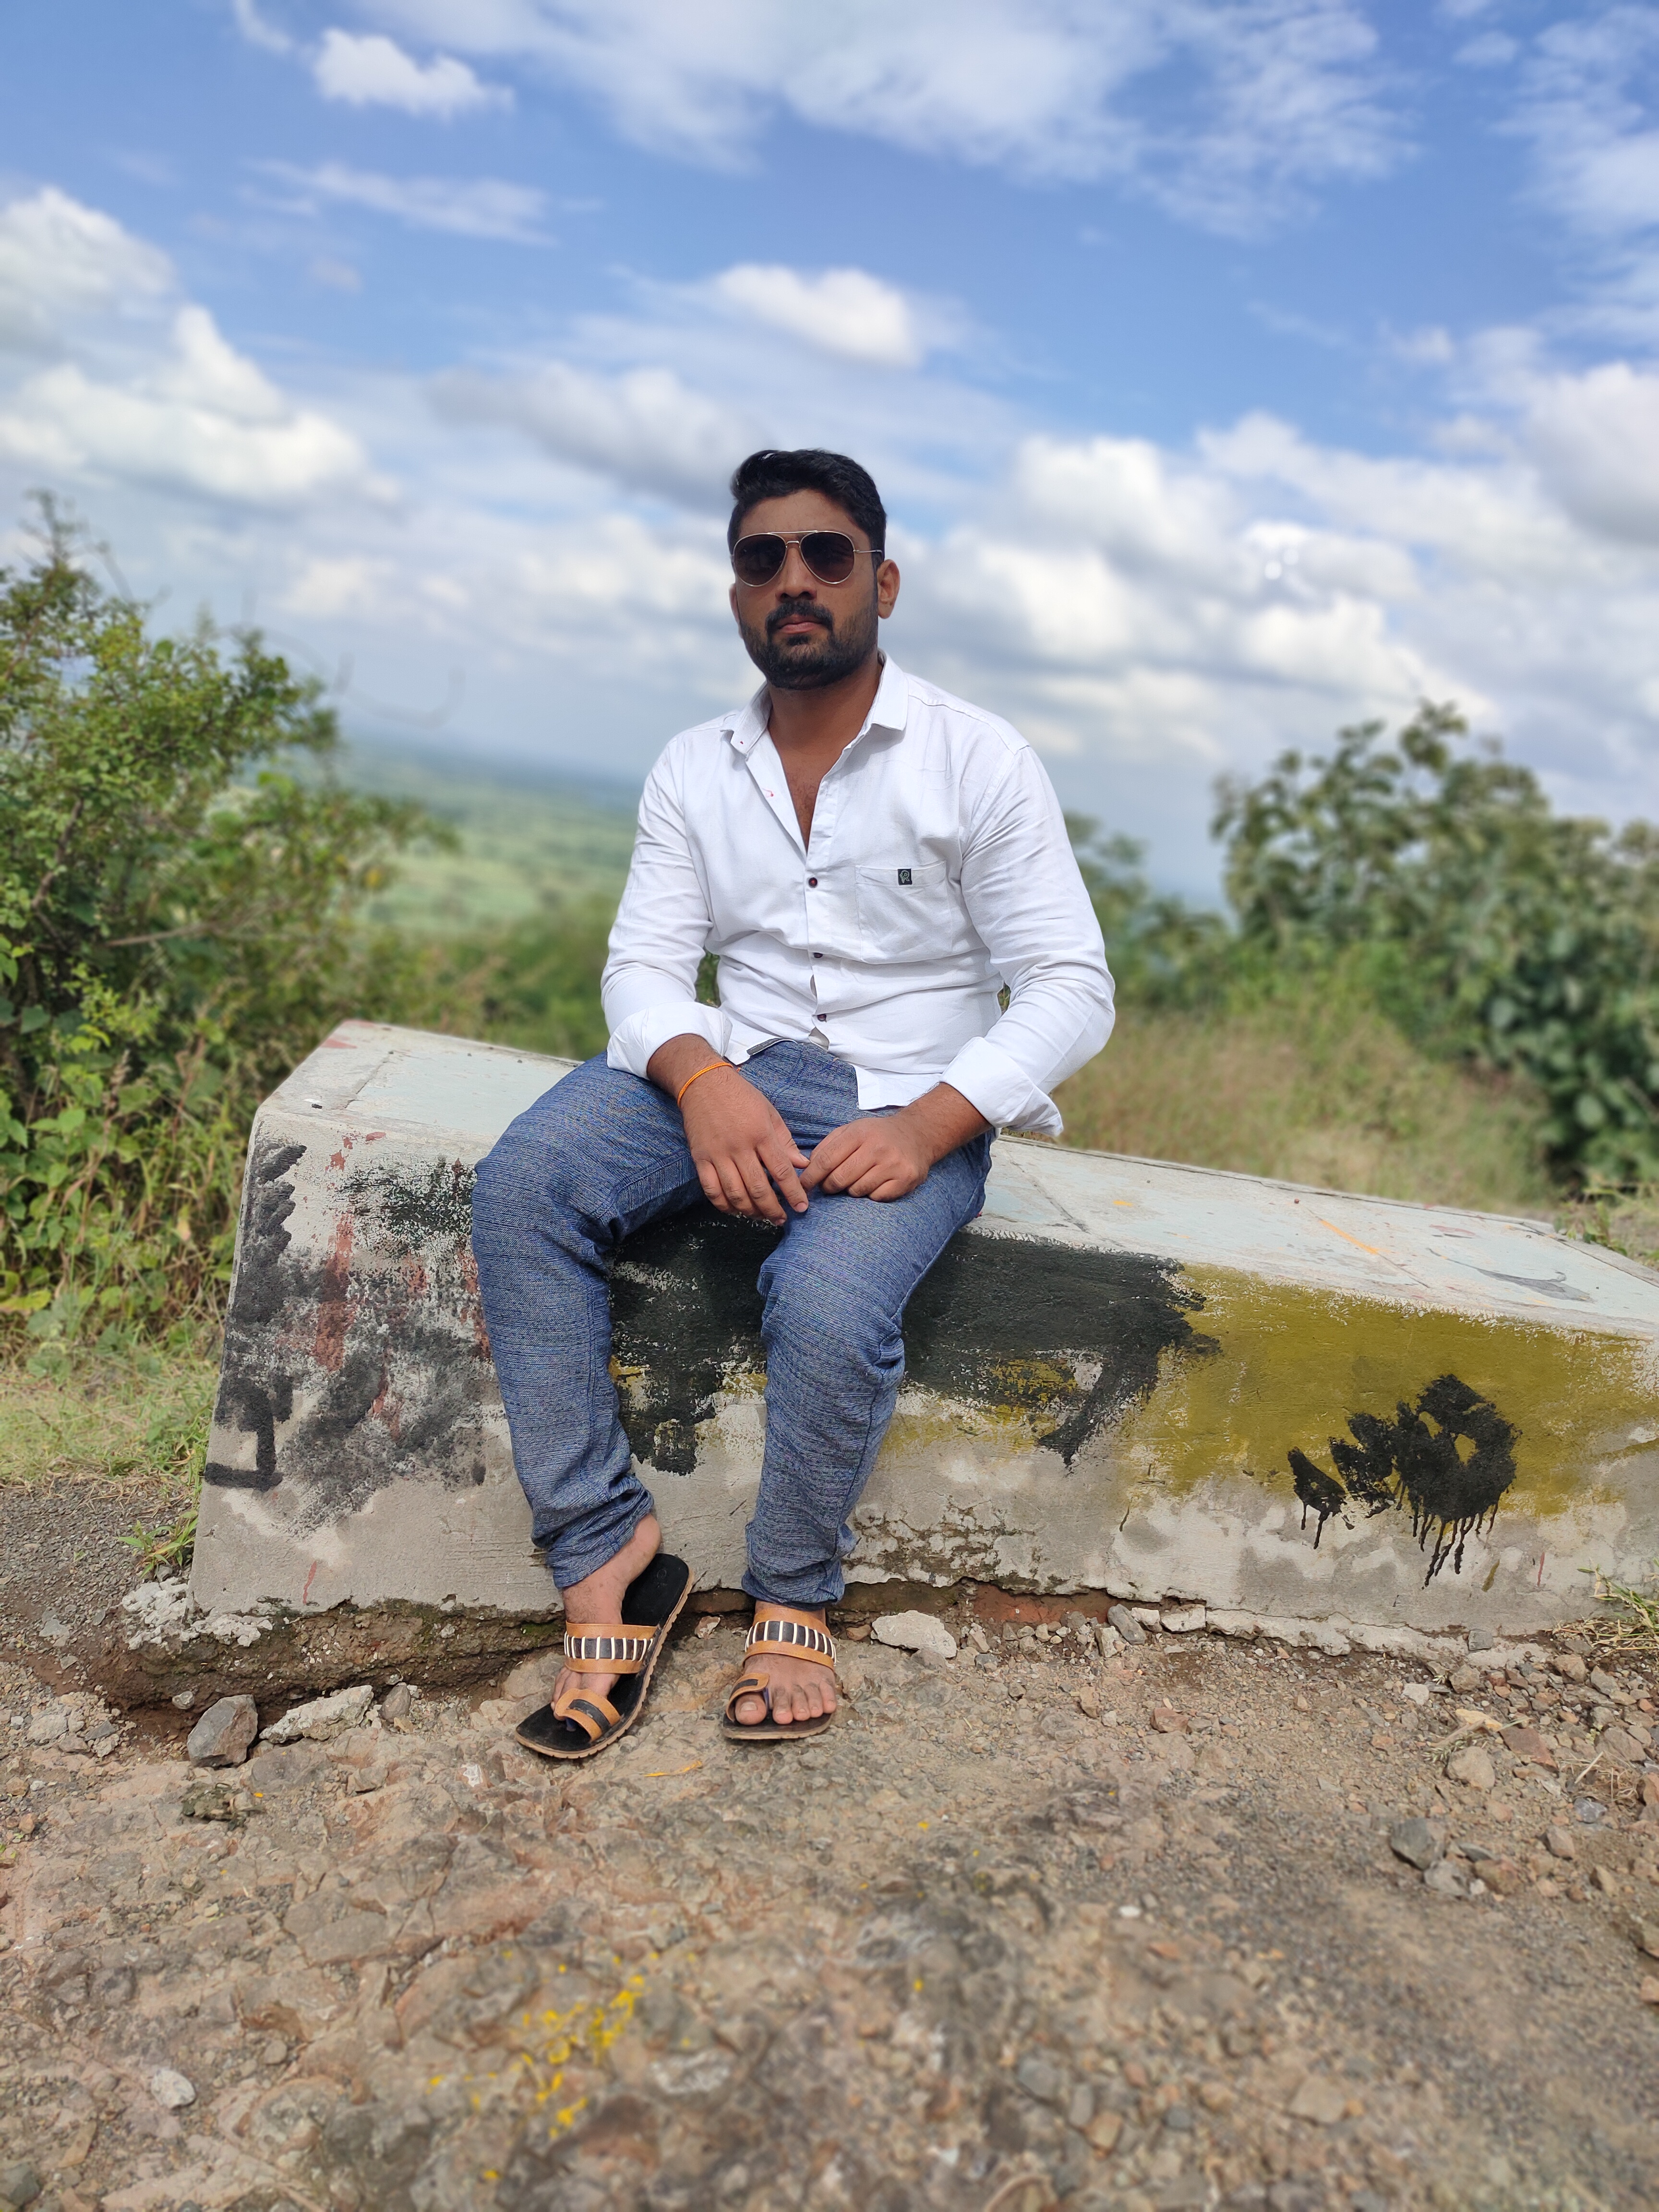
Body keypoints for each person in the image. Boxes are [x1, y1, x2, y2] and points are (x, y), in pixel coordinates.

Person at [470, 447, 1114, 1758]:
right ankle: (608, 1556)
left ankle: (795, 1598)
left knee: (824, 1300)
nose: (795, 580)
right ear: (738, 595)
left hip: (910, 1103)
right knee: (523, 1183)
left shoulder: (978, 759)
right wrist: (704, 1081)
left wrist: (933, 1126)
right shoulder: (694, 768)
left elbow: (1072, 987)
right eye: (762, 559)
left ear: (883, 580)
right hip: (741, 1071)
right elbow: (643, 970)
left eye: (827, 554)